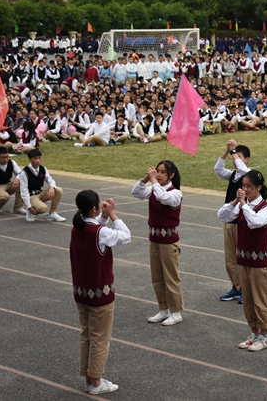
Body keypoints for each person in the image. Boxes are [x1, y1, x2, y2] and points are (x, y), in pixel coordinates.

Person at [70, 190, 131, 395]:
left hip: (81, 292)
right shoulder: (99, 232)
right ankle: (96, 382)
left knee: (87, 336)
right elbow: (125, 236)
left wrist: (103, 215)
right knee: (100, 339)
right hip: (99, 294)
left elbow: (96, 230)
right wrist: (112, 215)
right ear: (94, 208)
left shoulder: (77, 228)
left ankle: (89, 379)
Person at [217, 170, 267, 352]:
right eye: (243, 186)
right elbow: (222, 216)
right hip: (243, 260)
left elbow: (255, 222)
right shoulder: (242, 206)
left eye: (250, 186)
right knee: (248, 300)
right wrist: (236, 201)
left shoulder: (266, 208)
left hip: (259, 263)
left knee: (260, 299)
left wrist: (243, 204)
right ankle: (254, 333)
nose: (246, 189)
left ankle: (264, 336)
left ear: (259, 188)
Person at [132, 160, 185, 326]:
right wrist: (145, 179)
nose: (159, 175)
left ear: (171, 175)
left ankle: (176, 311)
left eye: (163, 172)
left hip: (168, 242)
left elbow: (163, 198)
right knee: (157, 277)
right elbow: (136, 192)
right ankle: (164, 308)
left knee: (171, 277)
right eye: (158, 171)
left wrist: (154, 181)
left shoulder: (175, 193)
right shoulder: (154, 189)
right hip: (154, 239)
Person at [215, 140, 251, 304]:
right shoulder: (233, 175)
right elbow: (218, 169)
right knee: (230, 257)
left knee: (243, 256)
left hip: (242, 222)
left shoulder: (248, 175)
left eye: (239, 157)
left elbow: (242, 169)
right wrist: (227, 151)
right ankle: (237, 286)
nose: (235, 160)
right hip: (229, 221)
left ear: (247, 160)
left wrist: (233, 151)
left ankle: (247, 289)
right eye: (234, 157)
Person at [18, 149, 66, 222]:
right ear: (30, 159)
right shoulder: (24, 173)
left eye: (39, 158)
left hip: (39, 193)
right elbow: (24, 191)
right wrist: (29, 206)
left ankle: (52, 213)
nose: (38, 160)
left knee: (58, 190)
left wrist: (52, 187)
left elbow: (50, 180)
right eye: (35, 158)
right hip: (30, 196)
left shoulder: (43, 169)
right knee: (42, 208)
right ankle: (30, 211)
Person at [0, 147, 24, 216]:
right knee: (5, 196)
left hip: (9, 184)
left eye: (7, 157)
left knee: (22, 182)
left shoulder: (12, 162)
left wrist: (17, 178)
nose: (5, 159)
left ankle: (18, 207)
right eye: (3, 157)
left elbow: (21, 173)